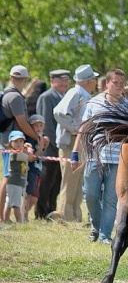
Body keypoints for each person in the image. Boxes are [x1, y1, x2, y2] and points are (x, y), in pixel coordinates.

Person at [71, 69, 127, 244]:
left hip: (117, 159)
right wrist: (75, 153)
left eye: (121, 83)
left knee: (111, 199)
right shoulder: (94, 102)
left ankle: (105, 235)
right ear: (107, 84)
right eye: (115, 82)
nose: (119, 86)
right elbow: (84, 128)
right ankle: (96, 225)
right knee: (90, 195)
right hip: (95, 156)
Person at [1, 65, 48, 222]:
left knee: (8, 177)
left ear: (10, 77)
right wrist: (37, 137)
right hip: (11, 143)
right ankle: (2, 217)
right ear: (24, 79)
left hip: (9, 141)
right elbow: (22, 122)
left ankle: (3, 217)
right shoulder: (15, 97)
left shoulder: (8, 94)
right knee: (8, 178)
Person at [52, 64, 98, 222]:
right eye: (94, 79)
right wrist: (75, 129)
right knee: (69, 181)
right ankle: (65, 215)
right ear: (88, 81)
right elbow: (59, 113)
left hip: (79, 142)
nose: (96, 82)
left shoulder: (83, 94)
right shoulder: (75, 92)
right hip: (71, 142)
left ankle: (75, 215)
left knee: (78, 181)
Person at [35, 69, 71, 219]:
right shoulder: (47, 97)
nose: (65, 83)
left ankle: (51, 209)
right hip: (50, 146)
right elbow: (46, 124)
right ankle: (41, 212)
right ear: (52, 81)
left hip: (62, 145)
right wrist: (53, 145)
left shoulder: (64, 96)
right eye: (61, 80)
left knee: (57, 181)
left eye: (66, 79)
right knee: (46, 180)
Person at [3, 130, 34, 223]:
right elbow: (30, 158)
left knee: (9, 203)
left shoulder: (18, 152)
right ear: (10, 143)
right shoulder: (16, 154)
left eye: (21, 141)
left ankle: (5, 219)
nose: (19, 143)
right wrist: (30, 150)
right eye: (16, 141)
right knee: (16, 204)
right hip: (15, 182)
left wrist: (26, 148)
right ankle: (20, 222)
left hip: (15, 182)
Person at [22, 115, 46, 221]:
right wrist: (40, 147)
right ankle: (24, 216)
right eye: (36, 125)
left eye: (41, 125)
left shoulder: (40, 138)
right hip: (30, 170)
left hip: (38, 170)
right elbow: (31, 158)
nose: (39, 128)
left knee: (35, 198)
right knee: (29, 195)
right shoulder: (30, 140)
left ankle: (25, 214)